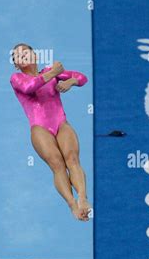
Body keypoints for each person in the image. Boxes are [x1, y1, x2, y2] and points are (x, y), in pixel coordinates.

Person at [10, 43, 92, 221]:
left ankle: (83, 199)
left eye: (26, 51)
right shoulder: (17, 78)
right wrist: (54, 73)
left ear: (35, 56)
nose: (22, 55)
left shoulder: (49, 71)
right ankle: (72, 205)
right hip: (40, 129)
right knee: (57, 165)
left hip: (61, 123)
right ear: (16, 64)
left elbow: (82, 77)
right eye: (17, 55)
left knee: (72, 158)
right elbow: (29, 87)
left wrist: (71, 81)